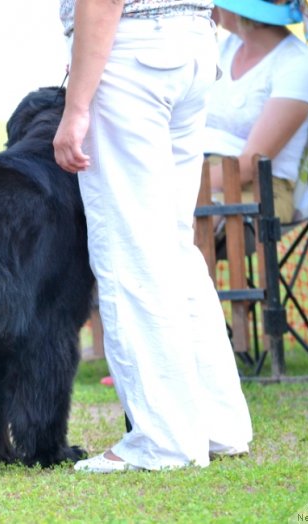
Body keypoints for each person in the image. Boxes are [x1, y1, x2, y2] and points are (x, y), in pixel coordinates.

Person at [53, 0, 253, 472]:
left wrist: (76, 105)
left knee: (132, 251)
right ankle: (217, 426)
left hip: (132, 54)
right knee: (172, 246)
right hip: (192, 42)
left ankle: (163, 440)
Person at [204, 0, 308, 224]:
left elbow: (251, 165)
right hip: (204, 175)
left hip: (263, 190)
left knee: (182, 216)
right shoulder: (225, 49)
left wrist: (177, 182)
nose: (212, 4)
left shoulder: (297, 64)